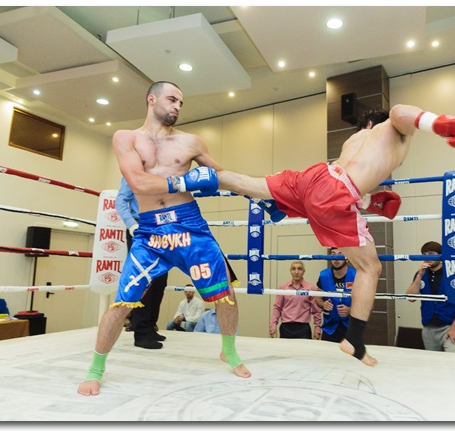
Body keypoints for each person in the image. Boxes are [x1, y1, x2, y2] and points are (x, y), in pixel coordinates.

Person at [217, 104, 455, 366]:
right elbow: (399, 112)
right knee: (370, 268)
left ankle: (204, 175)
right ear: (375, 123)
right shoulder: (392, 130)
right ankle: (354, 339)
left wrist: (367, 201)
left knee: (248, 183)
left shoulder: (354, 140)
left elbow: (350, 178)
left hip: (315, 176)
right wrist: (438, 124)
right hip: (336, 192)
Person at [78, 81, 250, 397]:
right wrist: (186, 181)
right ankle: (95, 370)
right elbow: (138, 182)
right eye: (172, 99)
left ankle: (229, 351)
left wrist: (265, 194)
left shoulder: (191, 142)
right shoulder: (126, 138)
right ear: (151, 99)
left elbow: (221, 175)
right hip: (149, 232)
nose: (177, 107)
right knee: (122, 301)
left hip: (189, 225)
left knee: (224, 290)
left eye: (181, 103)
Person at [116, 176, 168, 349]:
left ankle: (150, 326)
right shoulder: (133, 171)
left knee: (160, 280)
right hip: (141, 227)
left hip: (162, 228)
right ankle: (141, 332)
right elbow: (121, 200)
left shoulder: (163, 172)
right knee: (143, 279)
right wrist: (131, 225)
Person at [406, 241, 455, 352]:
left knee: (454, 360)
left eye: (431, 254)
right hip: (429, 328)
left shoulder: (453, 274)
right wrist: (419, 276)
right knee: (432, 361)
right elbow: (411, 297)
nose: (427, 258)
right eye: (424, 255)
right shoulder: (421, 274)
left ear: (440, 255)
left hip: (451, 327)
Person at [269, 261, 322, 340]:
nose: (296, 272)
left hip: (303, 329)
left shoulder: (311, 288)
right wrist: (273, 325)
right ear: (290, 271)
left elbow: (316, 311)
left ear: (304, 271)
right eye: (293, 269)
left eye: (299, 269)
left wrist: (317, 329)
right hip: (286, 328)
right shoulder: (283, 288)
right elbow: (277, 308)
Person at [315, 247, 355, 343]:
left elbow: (368, 304)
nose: (336, 258)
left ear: (347, 258)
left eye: (340, 254)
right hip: (329, 329)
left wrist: (350, 310)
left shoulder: (356, 275)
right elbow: (318, 298)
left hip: (351, 328)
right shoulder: (323, 275)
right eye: (333, 254)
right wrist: (323, 304)